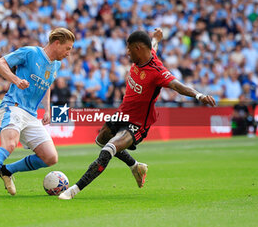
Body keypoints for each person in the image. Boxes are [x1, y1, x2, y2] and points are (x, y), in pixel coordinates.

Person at [58, 28, 216, 200]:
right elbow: (153, 45)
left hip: (138, 123)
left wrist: (199, 95)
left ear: (138, 48)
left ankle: (73, 190)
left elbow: (177, 85)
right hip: (121, 115)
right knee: (101, 140)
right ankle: (136, 166)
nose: (127, 52)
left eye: (129, 48)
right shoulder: (146, 54)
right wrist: (156, 37)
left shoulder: (157, 72)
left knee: (108, 150)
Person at [0, 28, 75, 198]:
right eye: (68, 48)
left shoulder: (56, 64)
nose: (69, 53)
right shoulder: (30, 52)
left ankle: (7, 170)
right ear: (57, 43)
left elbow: (46, 85)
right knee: (10, 144)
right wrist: (16, 80)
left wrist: (47, 109)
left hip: (31, 114)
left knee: (50, 157)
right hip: (14, 106)